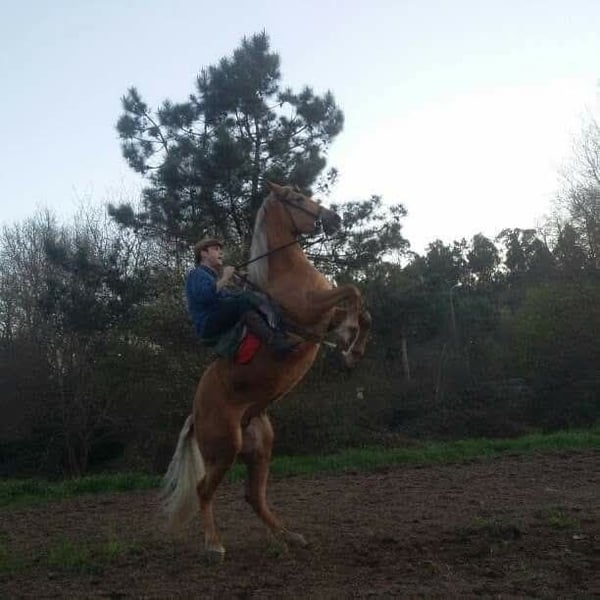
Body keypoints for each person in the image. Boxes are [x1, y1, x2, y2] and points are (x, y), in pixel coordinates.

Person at [185, 237, 297, 356]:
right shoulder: (197, 274)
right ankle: (275, 340)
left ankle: (280, 333)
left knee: (255, 297)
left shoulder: (213, 277)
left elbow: (230, 298)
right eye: (216, 249)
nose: (221, 253)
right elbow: (206, 296)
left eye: (220, 250)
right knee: (244, 300)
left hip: (218, 316)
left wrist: (241, 283)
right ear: (203, 253)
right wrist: (225, 278)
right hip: (208, 323)